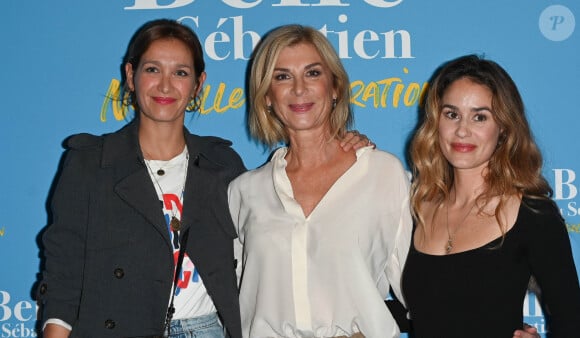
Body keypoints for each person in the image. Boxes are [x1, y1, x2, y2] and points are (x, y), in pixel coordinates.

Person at [37, 19, 370, 338]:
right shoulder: (90, 162)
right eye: (152, 69)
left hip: (208, 329)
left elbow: (277, 248)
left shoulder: (222, 165)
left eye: (180, 72)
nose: (165, 85)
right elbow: (63, 269)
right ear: (130, 75)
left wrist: (345, 148)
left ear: (198, 84)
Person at [228, 24, 412, 338]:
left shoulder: (384, 174)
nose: (299, 89)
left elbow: (421, 290)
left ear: (335, 87)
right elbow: (229, 302)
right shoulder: (244, 191)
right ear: (267, 96)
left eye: (313, 73)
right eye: (282, 76)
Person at [402, 54, 580, 337]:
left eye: (480, 117)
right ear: (436, 123)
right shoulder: (416, 209)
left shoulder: (532, 214)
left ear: (504, 128)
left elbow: (571, 319)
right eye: (452, 114)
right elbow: (420, 309)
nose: (462, 130)